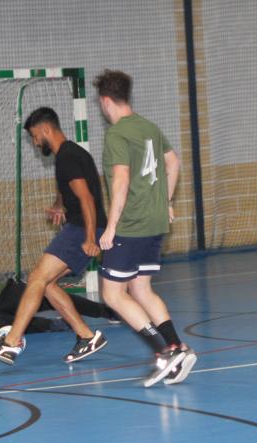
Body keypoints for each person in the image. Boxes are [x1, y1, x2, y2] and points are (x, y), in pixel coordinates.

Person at [0, 107, 111, 365]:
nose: (35, 143)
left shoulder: (67, 157)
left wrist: (90, 237)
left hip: (81, 228)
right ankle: (86, 336)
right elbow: (71, 188)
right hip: (79, 226)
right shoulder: (70, 154)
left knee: (36, 278)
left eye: (35, 137)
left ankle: (11, 342)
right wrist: (59, 205)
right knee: (46, 284)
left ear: (46, 130)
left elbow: (87, 198)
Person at [93, 69, 197, 388]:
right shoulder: (149, 127)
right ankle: (177, 346)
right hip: (155, 222)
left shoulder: (117, 134)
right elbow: (174, 162)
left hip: (132, 223)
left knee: (112, 293)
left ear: (105, 101)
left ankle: (164, 353)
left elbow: (121, 180)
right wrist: (163, 201)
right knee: (141, 289)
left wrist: (110, 227)